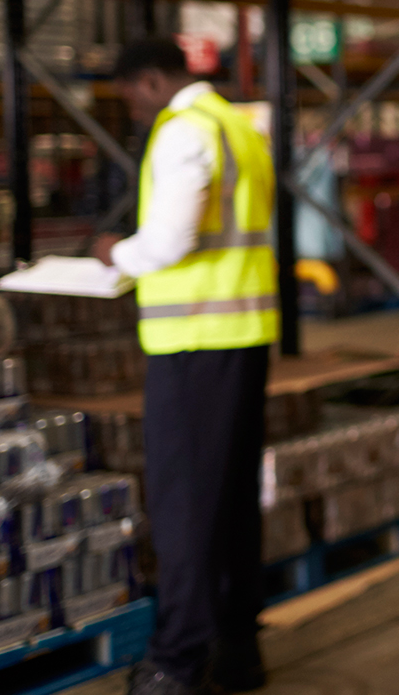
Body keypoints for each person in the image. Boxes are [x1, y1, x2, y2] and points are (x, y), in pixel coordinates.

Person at [93, 39, 278, 695]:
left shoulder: (185, 130)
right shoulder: (239, 127)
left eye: (130, 98)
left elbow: (172, 238)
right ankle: (237, 650)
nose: (133, 112)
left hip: (195, 341)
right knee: (230, 500)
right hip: (244, 334)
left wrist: (118, 254)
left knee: (186, 508)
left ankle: (177, 660)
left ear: (149, 80)